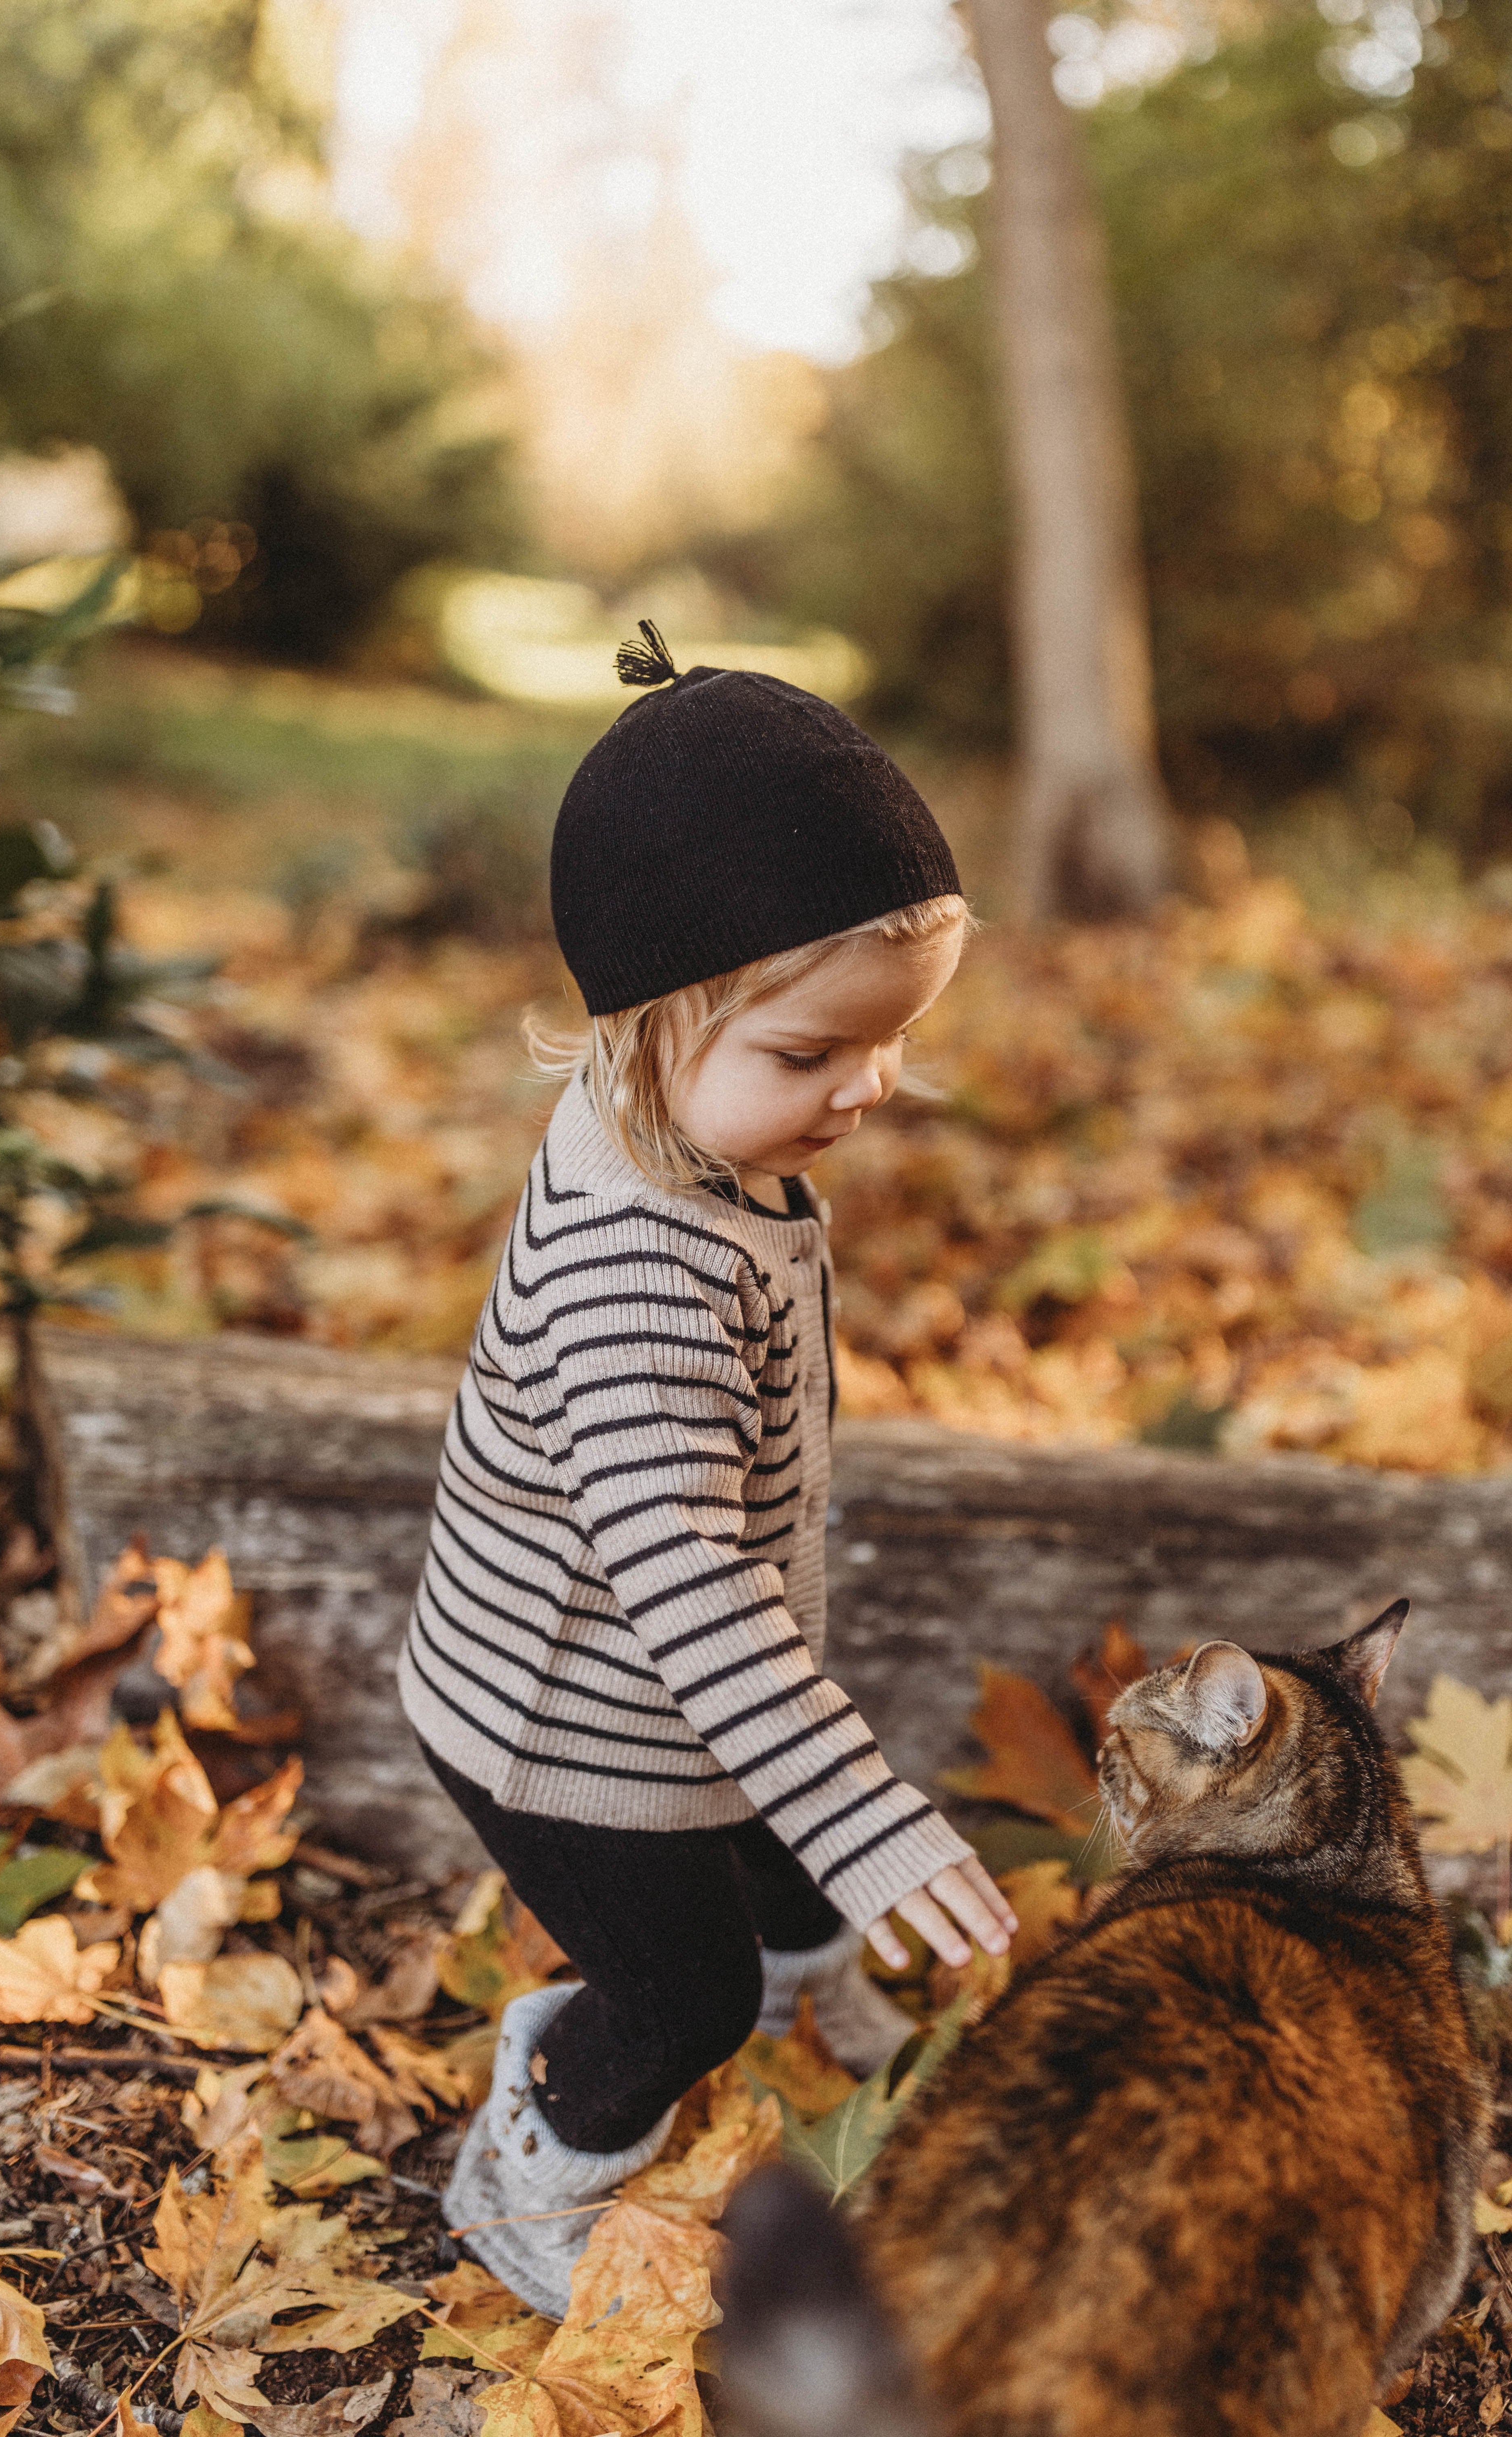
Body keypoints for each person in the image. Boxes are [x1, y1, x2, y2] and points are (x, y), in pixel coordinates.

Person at [401, 623, 1017, 2317]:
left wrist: (839, 1817)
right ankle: (537, 2152)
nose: (863, 1091)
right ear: (641, 1024)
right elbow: (682, 1575)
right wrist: (875, 1816)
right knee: (685, 1992)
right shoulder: (634, 1264)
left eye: (887, 1042)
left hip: (666, 1671)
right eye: (808, 1056)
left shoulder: (688, 1135)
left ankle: (818, 2000)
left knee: (787, 1845)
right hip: (558, 1720)